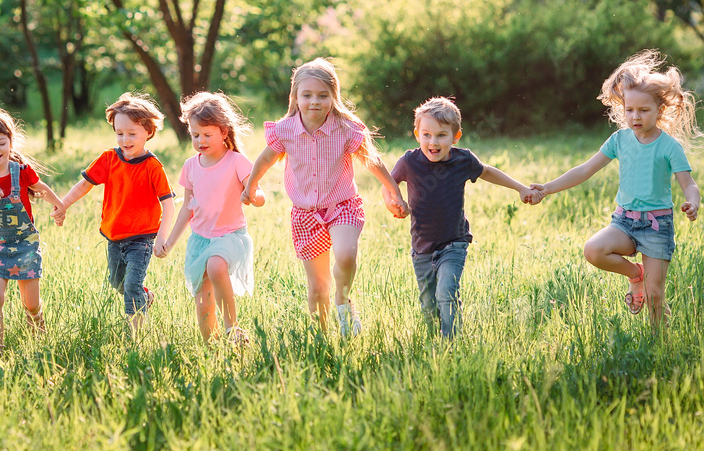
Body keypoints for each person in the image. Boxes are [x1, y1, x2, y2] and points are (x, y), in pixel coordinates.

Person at [242, 58, 409, 338]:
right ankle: (321, 338)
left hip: (342, 206)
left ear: (334, 97)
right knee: (317, 286)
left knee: (345, 254)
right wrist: (251, 184)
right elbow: (266, 158)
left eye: (323, 95)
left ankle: (343, 303)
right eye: (306, 95)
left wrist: (394, 190)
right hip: (305, 214)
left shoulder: (346, 129)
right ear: (295, 97)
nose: (314, 102)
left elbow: (372, 160)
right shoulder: (285, 130)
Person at [533, 50, 699, 328]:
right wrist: (548, 188)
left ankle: (660, 344)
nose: (635, 116)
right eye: (629, 110)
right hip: (623, 222)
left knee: (655, 295)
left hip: (657, 226)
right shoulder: (619, 140)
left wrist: (692, 204)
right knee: (594, 250)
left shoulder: (669, 146)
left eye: (644, 110)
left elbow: (689, 184)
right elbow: (584, 170)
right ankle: (636, 274)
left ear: (660, 109)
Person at [392, 97, 542, 338]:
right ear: (417, 134)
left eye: (441, 135)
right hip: (421, 248)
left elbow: (488, 172)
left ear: (456, 137)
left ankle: (452, 343)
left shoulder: (462, 160)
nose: (433, 141)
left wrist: (520, 188)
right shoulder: (409, 161)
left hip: (454, 243)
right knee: (429, 305)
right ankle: (433, 344)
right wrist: (394, 201)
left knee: (446, 293)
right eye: (427, 135)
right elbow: (389, 183)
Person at [52, 92, 175, 334]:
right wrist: (64, 203)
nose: (125, 139)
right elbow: (84, 184)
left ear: (148, 132)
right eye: (120, 133)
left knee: (130, 285)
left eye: (132, 133)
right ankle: (145, 296)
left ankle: (136, 335)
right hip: (114, 235)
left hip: (142, 238)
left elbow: (169, 203)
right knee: (117, 282)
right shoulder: (109, 158)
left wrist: (162, 237)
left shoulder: (152, 166)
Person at [159, 91, 264, 344]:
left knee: (216, 266)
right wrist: (170, 242)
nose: (200, 141)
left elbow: (256, 191)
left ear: (224, 132)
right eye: (195, 135)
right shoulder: (191, 166)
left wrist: (254, 197)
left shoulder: (236, 161)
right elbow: (187, 208)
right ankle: (212, 346)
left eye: (207, 135)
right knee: (203, 299)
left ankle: (233, 329)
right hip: (200, 240)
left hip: (229, 236)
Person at [0, 108, 65, 351]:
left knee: (30, 304)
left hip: (25, 245)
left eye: (1, 142)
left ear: (11, 143)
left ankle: (38, 336)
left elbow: (41, 189)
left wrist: (59, 205)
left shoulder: (22, 172)